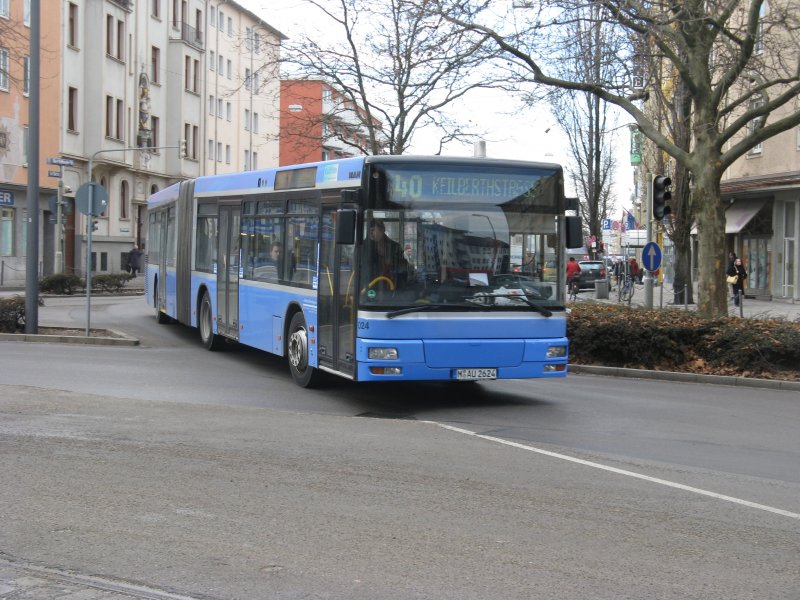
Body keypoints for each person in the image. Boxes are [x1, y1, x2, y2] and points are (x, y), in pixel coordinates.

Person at [367, 220, 409, 286]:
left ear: (382, 229)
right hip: (371, 286)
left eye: (373, 230)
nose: (371, 233)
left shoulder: (395, 247)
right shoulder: (364, 247)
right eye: (369, 231)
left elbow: (403, 269)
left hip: (393, 286)